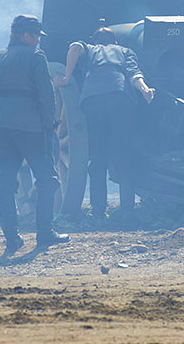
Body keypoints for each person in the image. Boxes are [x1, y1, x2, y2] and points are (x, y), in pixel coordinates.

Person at [0, 15, 69, 255]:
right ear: (26, 35)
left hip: (0, 125)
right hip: (30, 126)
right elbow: (46, 94)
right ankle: (45, 232)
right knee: (47, 178)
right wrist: (49, 126)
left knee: (6, 181)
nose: (38, 41)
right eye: (36, 36)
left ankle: (11, 238)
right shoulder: (36, 57)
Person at [55, 27, 154, 224]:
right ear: (115, 42)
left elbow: (74, 48)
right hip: (119, 96)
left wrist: (66, 77)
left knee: (98, 158)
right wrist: (144, 90)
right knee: (124, 156)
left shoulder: (90, 49)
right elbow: (134, 74)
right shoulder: (125, 51)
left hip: (92, 100)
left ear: (95, 41)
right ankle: (127, 211)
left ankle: (99, 212)